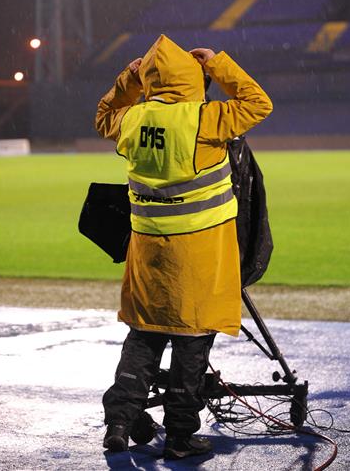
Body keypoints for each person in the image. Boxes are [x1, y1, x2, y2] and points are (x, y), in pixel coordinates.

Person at [95, 34, 273, 459]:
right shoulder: (206, 119)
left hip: (147, 257)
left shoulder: (134, 120)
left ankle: (120, 421)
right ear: (192, 78)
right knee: (192, 343)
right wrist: (217, 64)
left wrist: (131, 79)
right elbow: (258, 102)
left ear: (152, 80)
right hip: (199, 256)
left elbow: (104, 114)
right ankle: (179, 436)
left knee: (143, 337)